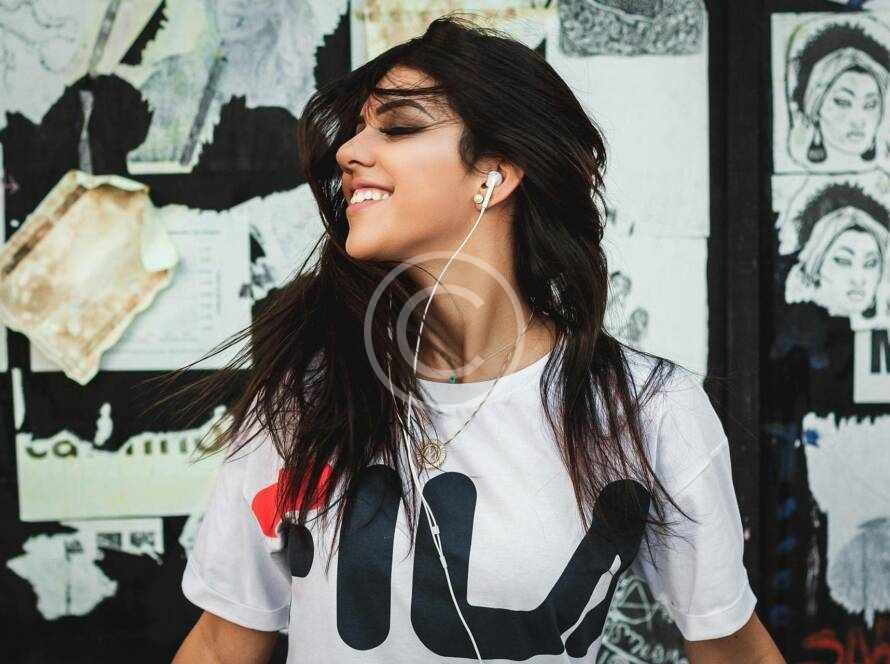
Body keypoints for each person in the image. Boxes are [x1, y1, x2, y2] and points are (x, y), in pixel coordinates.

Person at [169, 15, 785, 664]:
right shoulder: (307, 396)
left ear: (494, 173)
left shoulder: (649, 410)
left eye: (398, 127)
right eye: (357, 129)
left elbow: (731, 647)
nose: (349, 151)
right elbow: (220, 646)